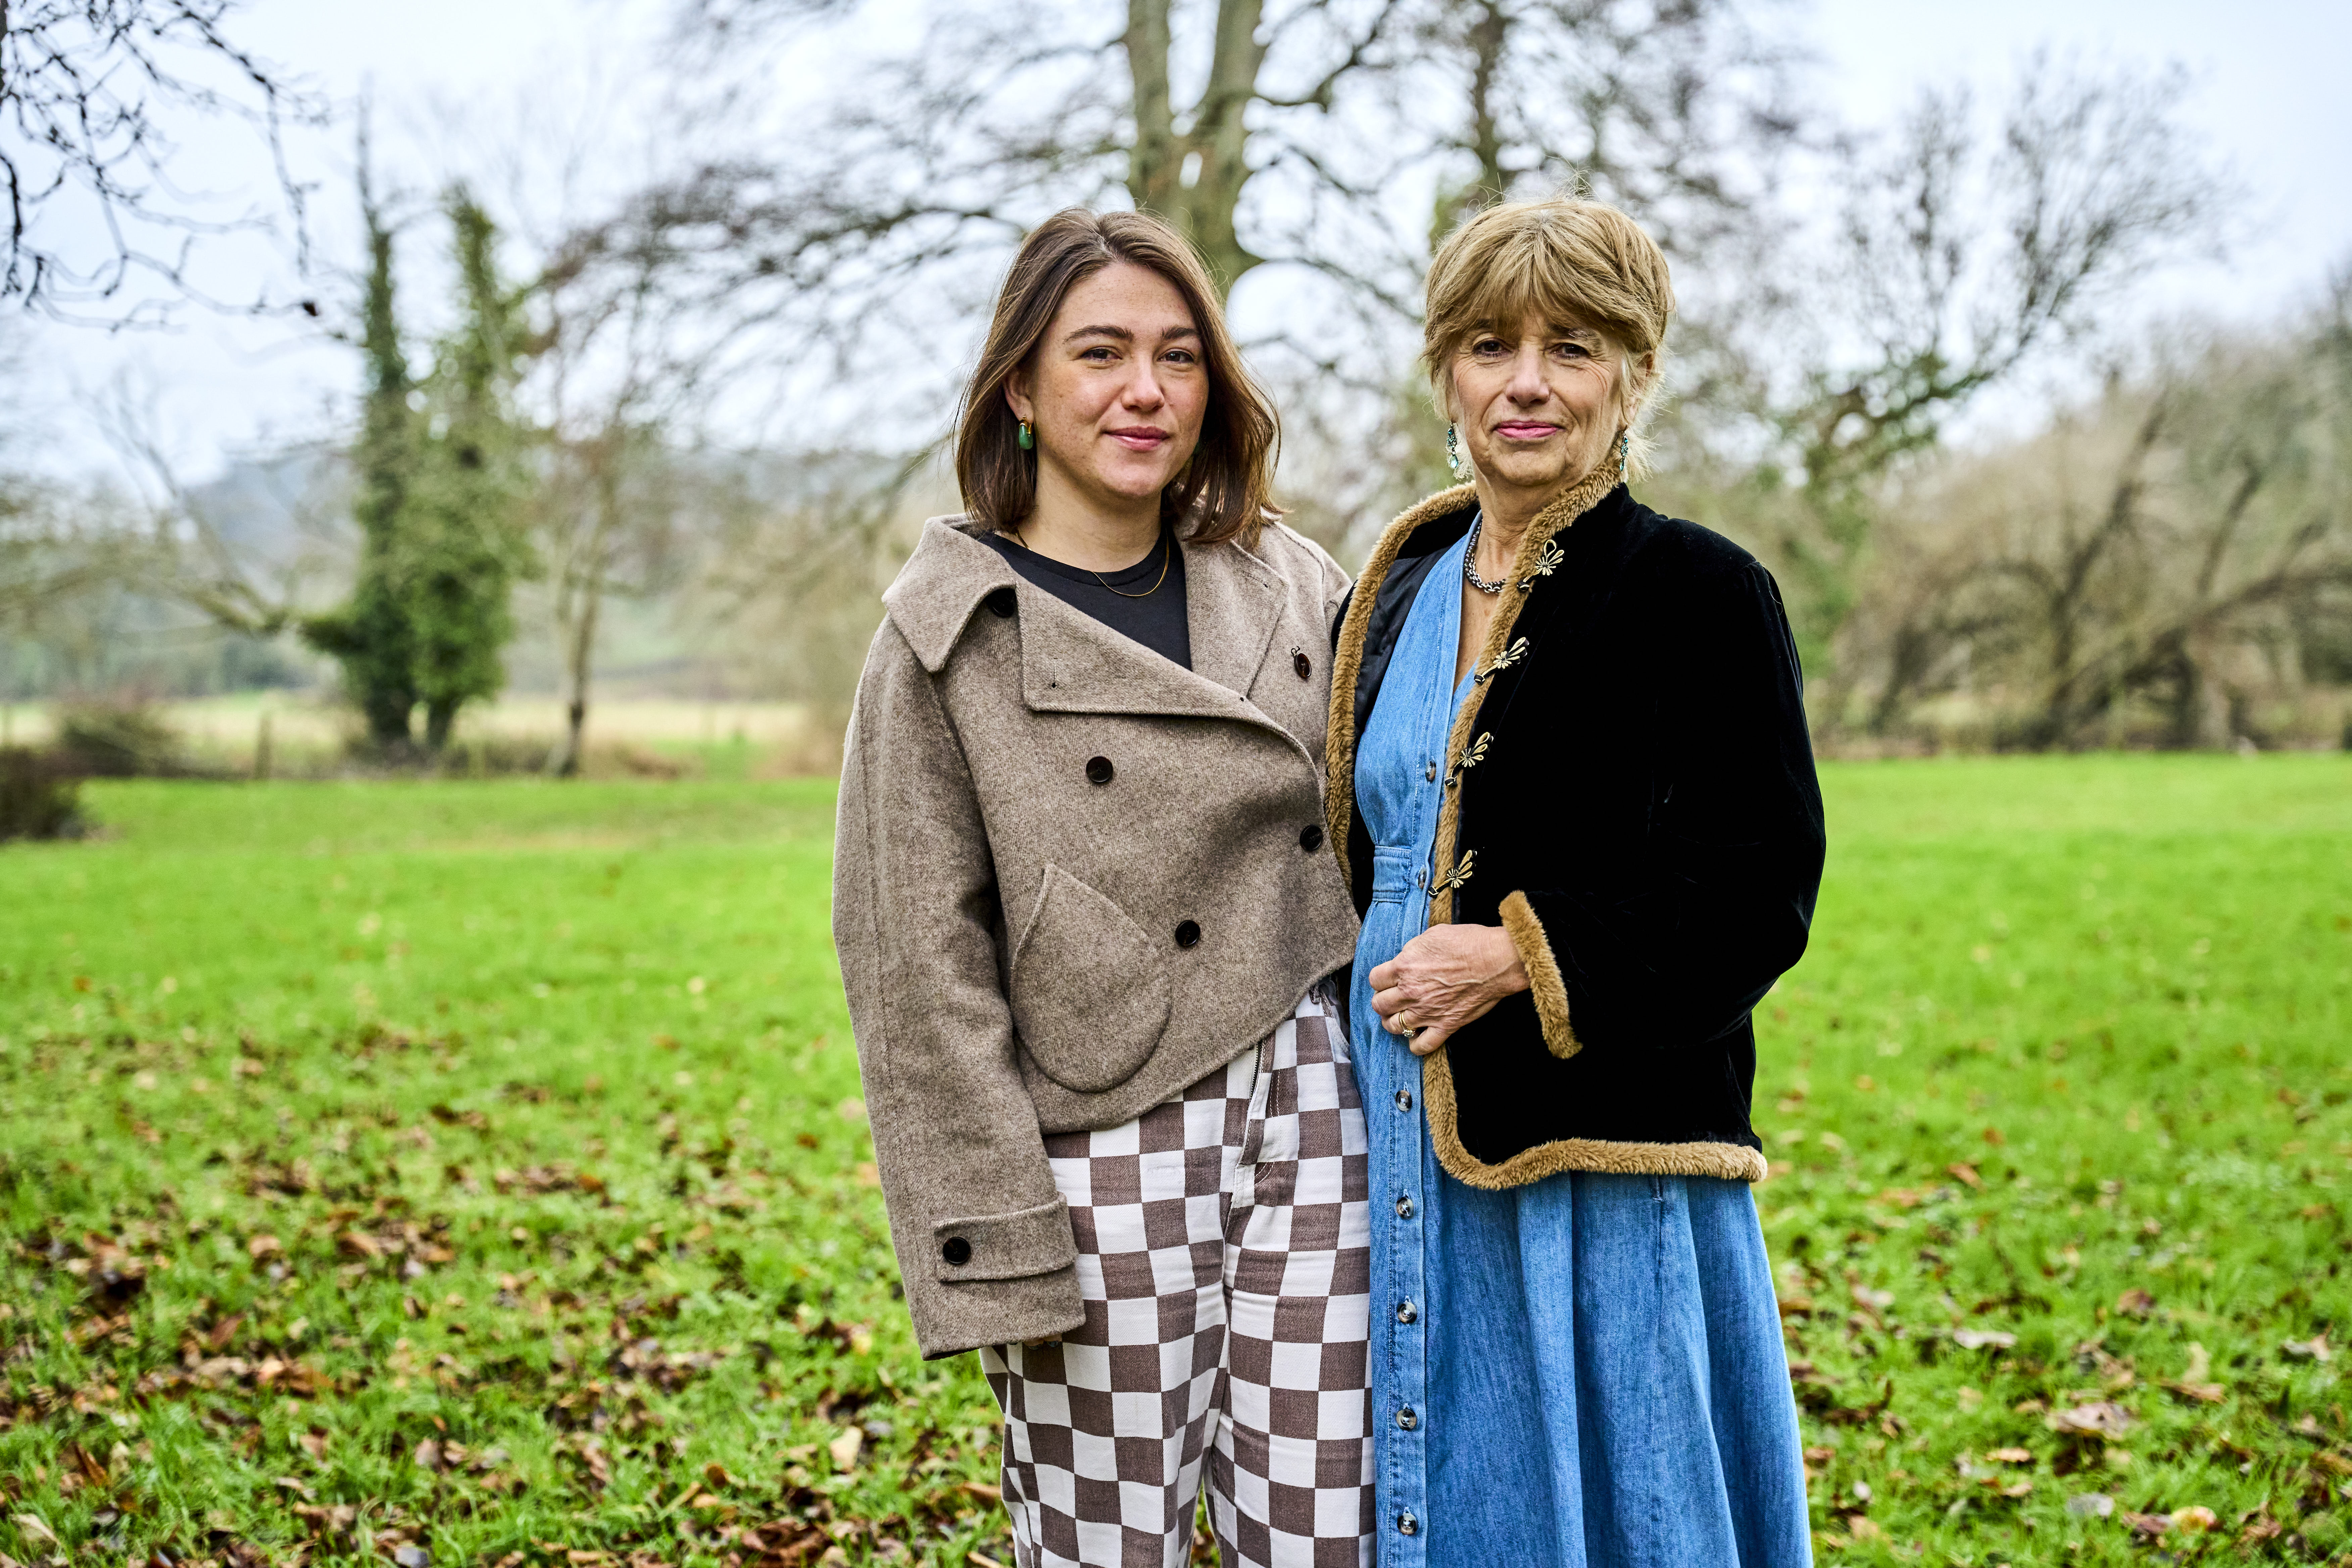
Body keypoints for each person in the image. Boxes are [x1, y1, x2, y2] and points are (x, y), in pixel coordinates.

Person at [832, 207, 1374, 1568]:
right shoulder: (947, 637)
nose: (1146, 390)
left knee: (1327, 1531)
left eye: (1180, 356)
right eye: (1101, 353)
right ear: (1021, 383)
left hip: (1322, 1100)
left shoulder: (1294, 580)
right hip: (1104, 1132)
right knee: (1104, 1544)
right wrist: (994, 1227)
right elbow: (913, 964)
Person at [1323, 195, 1826, 1566]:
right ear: (1446, 374)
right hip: (1393, 1139)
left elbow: (1759, 883)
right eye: (1490, 346)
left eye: (1574, 347)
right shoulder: (1392, 593)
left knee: (1631, 1508)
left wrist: (1516, 957)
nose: (1527, 382)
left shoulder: (1704, 592)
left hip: (1610, 1148)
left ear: (1637, 375)